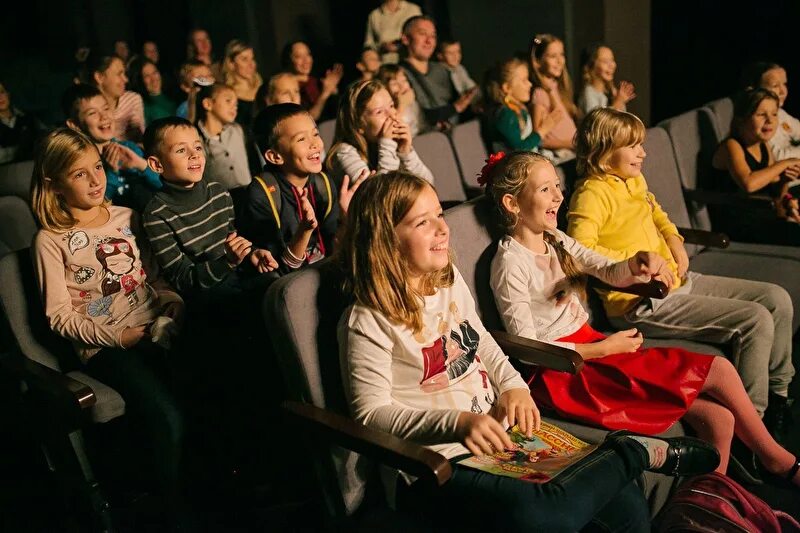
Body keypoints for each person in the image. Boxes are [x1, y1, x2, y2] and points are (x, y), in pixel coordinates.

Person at [337, 170, 720, 532]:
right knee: (539, 516)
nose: (442, 228)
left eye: (439, 214)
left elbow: (482, 339)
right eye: (422, 223)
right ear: (384, 238)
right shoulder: (366, 318)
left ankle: (627, 457)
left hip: (502, 438)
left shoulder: (446, 280)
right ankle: (631, 451)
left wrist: (514, 387)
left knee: (626, 502)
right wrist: (457, 423)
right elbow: (370, 413)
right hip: (435, 463)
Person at [486, 149, 800, 482]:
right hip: (563, 372)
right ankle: (777, 460)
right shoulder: (509, 264)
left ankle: (707, 500)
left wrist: (635, 263)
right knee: (719, 370)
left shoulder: (555, 238)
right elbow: (527, 347)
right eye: (545, 189)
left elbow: (605, 268)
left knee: (719, 419)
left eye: (557, 186)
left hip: (589, 349)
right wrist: (602, 349)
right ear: (512, 203)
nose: (559, 196)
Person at [568, 107, 795, 443]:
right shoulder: (591, 193)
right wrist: (638, 263)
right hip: (642, 300)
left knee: (776, 298)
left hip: (677, 280)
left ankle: (779, 396)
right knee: (755, 319)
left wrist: (674, 242)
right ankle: (754, 429)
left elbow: (657, 212)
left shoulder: (634, 179)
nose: (643, 153)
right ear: (603, 150)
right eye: (634, 146)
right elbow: (581, 252)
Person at [30, 127, 190, 525]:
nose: (96, 179)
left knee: (203, 387)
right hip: (107, 347)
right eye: (79, 174)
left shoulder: (127, 216)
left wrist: (172, 306)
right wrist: (118, 336)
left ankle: (206, 491)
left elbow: (156, 279)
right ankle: (177, 515)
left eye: (97, 167)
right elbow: (59, 317)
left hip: (155, 327)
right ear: (54, 185)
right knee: (165, 415)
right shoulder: (51, 239)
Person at [241, 103, 362, 274]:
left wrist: (346, 218)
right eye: (301, 139)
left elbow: (336, 250)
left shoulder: (323, 183)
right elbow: (279, 271)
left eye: (315, 134)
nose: (315, 144)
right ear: (275, 156)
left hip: (325, 272)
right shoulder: (262, 194)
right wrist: (305, 230)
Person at [711, 88, 800, 245]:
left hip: (763, 215)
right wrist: (784, 163)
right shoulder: (732, 146)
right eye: (761, 115)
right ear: (742, 119)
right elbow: (749, 184)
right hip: (737, 224)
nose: (770, 120)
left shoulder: (763, 145)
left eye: (774, 114)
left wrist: (785, 180)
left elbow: (776, 193)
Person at [62, 84, 161, 210]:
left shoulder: (129, 149)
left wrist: (140, 164)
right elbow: (96, 208)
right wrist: (111, 173)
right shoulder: (81, 165)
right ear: (74, 124)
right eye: (92, 113)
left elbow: (166, 187)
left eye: (106, 108)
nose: (104, 117)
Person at [325, 80, 433, 187]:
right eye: (379, 112)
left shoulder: (390, 144)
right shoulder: (343, 153)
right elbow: (378, 197)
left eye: (391, 106)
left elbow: (428, 184)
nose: (392, 115)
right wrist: (387, 145)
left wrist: (406, 153)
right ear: (358, 124)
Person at [400, 16, 477, 130]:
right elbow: (419, 117)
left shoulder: (441, 70)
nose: (429, 41)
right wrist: (455, 108)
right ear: (406, 39)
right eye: (422, 34)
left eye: (433, 36)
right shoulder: (399, 75)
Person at [483, 57, 561, 153]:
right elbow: (518, 150)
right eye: (524, 80)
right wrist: (542, 131)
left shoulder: (520, 110)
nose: (530, 84)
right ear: (507, 87)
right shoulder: (505, 115)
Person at [196, 83, 259, 192]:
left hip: (248, 194)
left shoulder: (239, 131)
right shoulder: (196, 138)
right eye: (228, 101)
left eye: (236, 104)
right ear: (208, 104)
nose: (234, 107)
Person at [529, 34, 578, 164]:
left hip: (573, 151)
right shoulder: (540, 94)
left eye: (561, 55)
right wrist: (571, 144)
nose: (559, 61)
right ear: (538, 61)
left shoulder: (559, 88)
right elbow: (540, 139)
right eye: (552, 56)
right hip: (562, 156)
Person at [744, 62, 800, 161]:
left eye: (784, 84)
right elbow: (777, 157)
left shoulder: (781, 113)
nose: (783, 91)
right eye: (775, 86)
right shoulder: (756, 123)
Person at [84, 52, 145, 143]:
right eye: (119, 74)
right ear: (99, 77)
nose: (125, 79)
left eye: (124, 73)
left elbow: (140, 141)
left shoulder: (132, 100)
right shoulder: (86, 106)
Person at [281, 40, 343, 121]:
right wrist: (325, 93)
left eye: (308, 54)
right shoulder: (288, 87)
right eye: (298, 56)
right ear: (288, 60)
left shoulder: (318, 82)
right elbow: (307, 120)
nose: (306, 60)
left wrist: (333, 91)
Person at [577, 43, 636, 116]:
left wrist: (620, 101)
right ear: (591, 66)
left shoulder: (609, 92)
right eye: (605, 61)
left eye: (612, 60)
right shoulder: (589, 92)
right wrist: (618, 102)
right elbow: (598, 123)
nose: (611, 65)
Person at [364, 0, 422, 64]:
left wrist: (400, 47)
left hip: (408, 66)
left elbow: (420, 38)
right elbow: (369, 44)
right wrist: (382, 48)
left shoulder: (413, 10)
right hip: (385, 67)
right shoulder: (374, 15)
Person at [222, 40, 262, 129]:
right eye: (244, 59)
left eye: (252, 58)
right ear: (231, 64)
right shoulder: (227, 95)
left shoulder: (263, 88)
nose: (251, 64)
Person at [377, 64, 426, 137]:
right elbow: (392, 133)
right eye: (394, 84)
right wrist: (402, 106)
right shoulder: (384, 110)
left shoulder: (413, 102)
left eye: (404, 80)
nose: (402, 86)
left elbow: (423, 127)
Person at [0, 81, 43, 164]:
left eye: (2, 92)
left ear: (8, 94)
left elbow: (47, 139)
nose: (0, 97)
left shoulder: (29, 118)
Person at [129, 58, 176, 125]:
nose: (153, 79)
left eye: (155, 72)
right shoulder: (141, 105)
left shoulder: (173, 97)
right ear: (140, 80)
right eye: (147, 76)